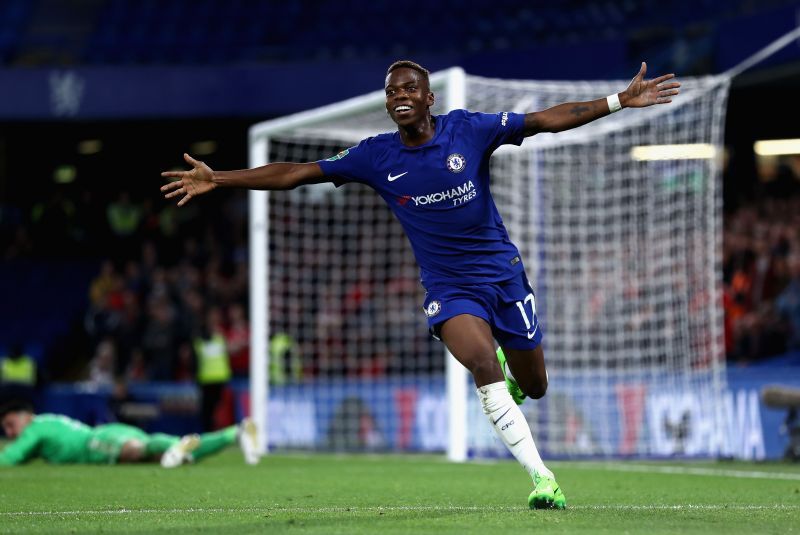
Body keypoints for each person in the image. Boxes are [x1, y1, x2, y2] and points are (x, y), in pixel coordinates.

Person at [161, 60, 680, 509]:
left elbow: (545, 120)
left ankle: (515, 372)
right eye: (391, 92)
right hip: (449, 288)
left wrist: (617, 101)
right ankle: (542, 478)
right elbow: (297, 172)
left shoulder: (469, 130)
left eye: (409, 89)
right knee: (480, 363)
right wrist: (219, 178)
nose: (400, 97)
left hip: (503, 276)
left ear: (429, 98)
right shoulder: (375, 156)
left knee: (537, 387)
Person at [0, 399, 259, 467]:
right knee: (178, 457)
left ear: (26, 417)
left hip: (97, 442)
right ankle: (235, 432)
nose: (10, 433)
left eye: (11, 425)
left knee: (135, 450)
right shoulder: (47, 422)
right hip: (109, 432)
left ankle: (175, 444)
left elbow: (11, 457)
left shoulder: (34, 428)